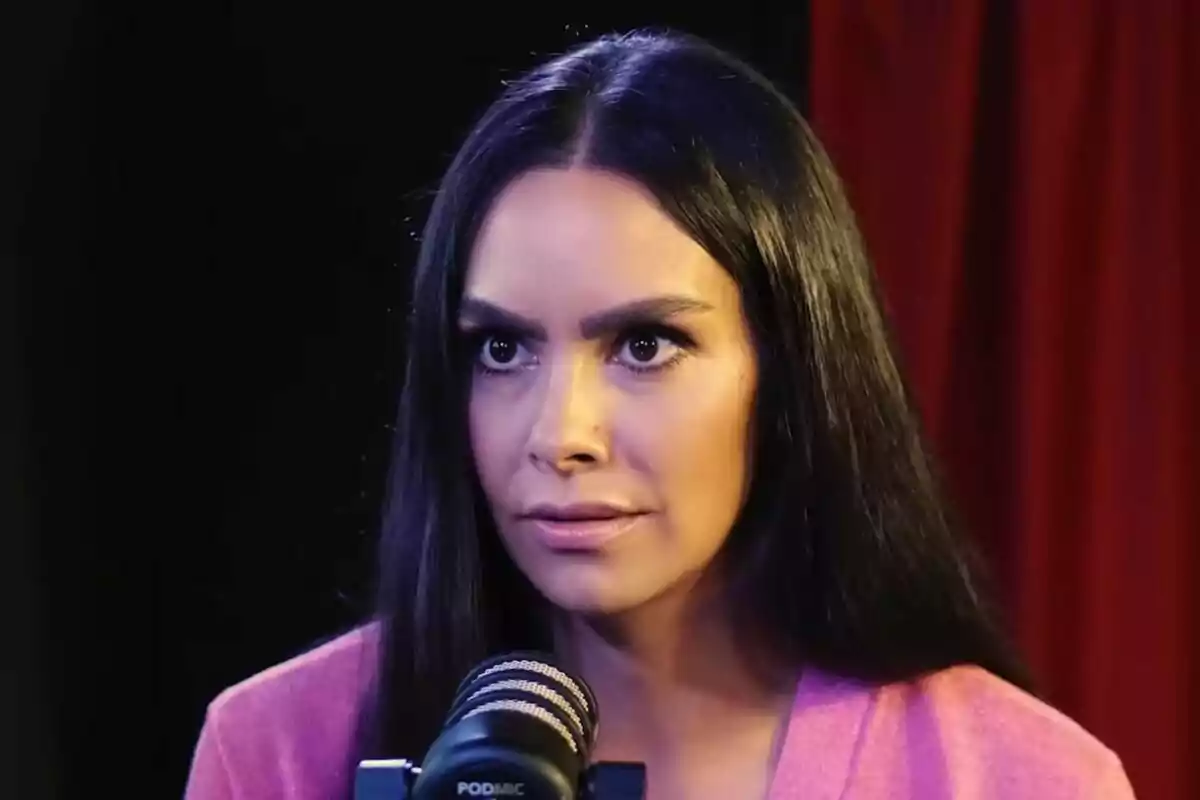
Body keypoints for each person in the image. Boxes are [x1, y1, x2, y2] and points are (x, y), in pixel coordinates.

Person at [183, 29, 1136, 799]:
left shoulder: (1024, 780)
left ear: (792, 367)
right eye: (502, 348)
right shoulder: (274, 751)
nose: (561, 435)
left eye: (644, 345)